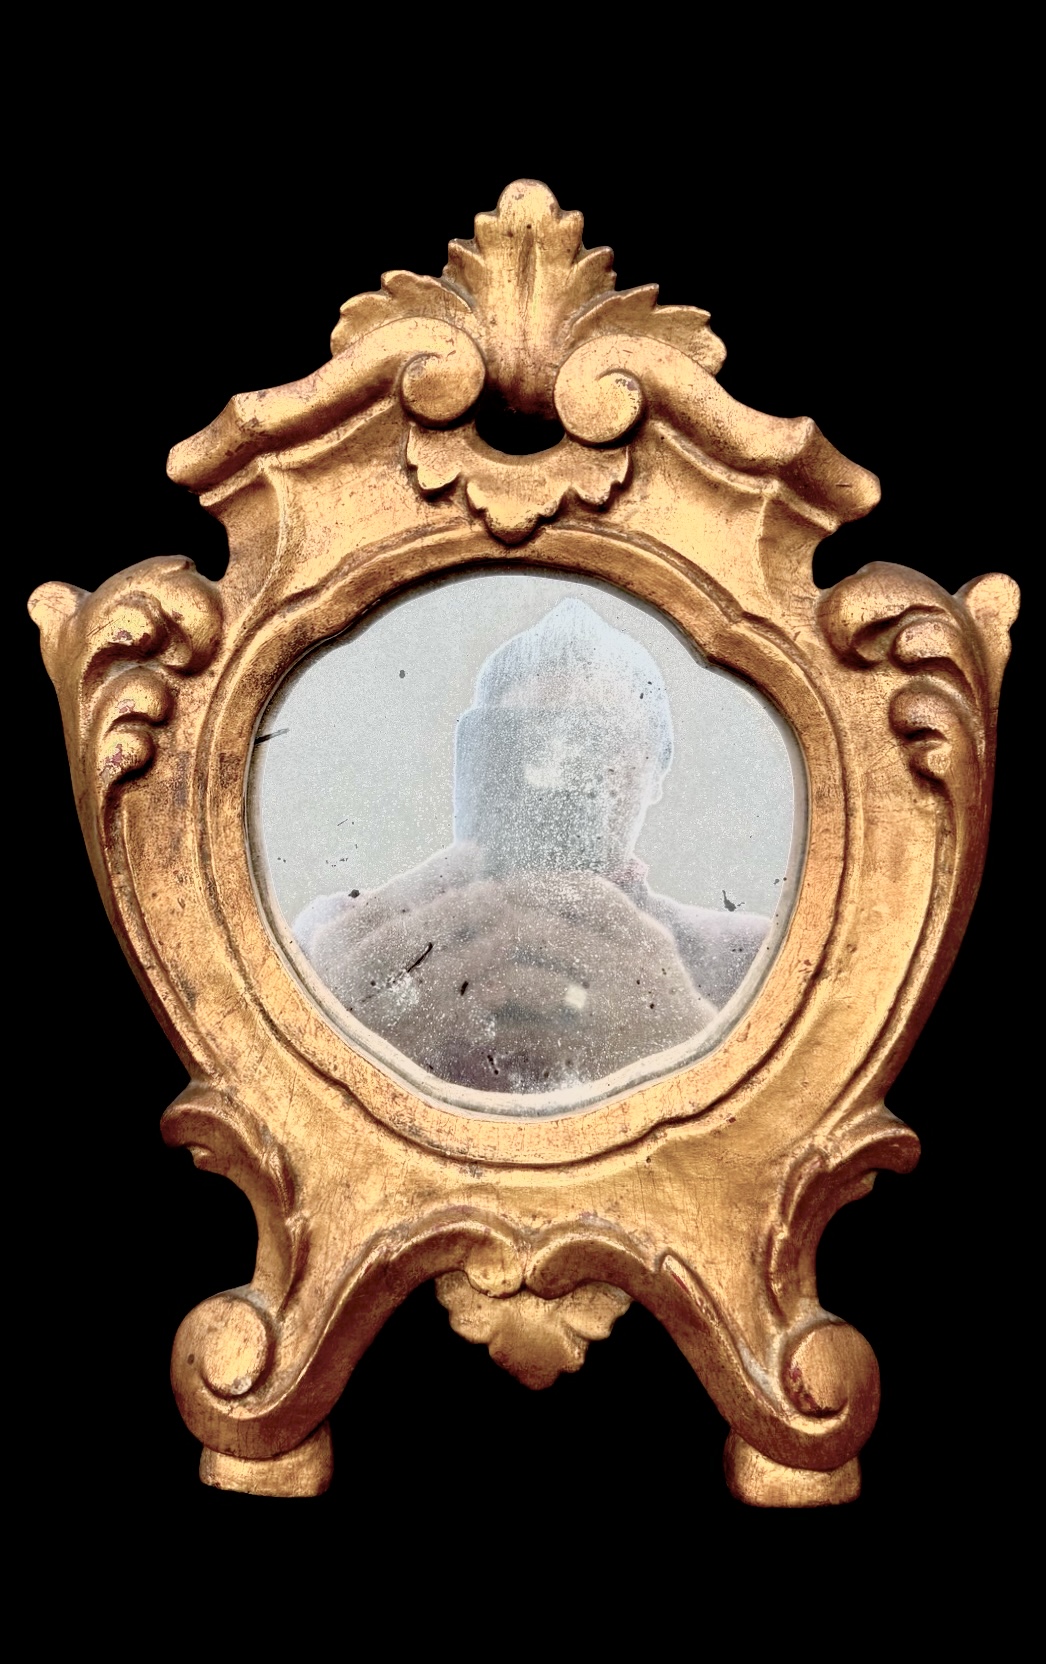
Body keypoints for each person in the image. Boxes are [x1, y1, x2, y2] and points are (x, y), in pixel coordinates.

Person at [294, 600, 770, 1097]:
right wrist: (326, 1039)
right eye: (519, 740)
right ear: (475, 760)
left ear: (656, 774)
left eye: (594, 740)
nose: (551, 772)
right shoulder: (340, 936)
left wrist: (685, 1038)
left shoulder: (744, 958)